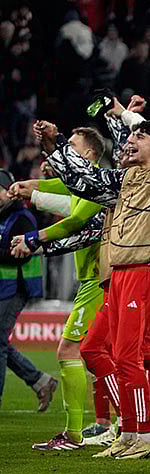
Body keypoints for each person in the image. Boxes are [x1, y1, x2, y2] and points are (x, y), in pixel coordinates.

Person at [39, 106, 150, 460]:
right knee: (118, 355)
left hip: (145, 271)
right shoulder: (123, 180)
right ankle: (131, 431)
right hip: (118, 273)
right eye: (131, 135)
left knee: (131, 355)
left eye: (140, 136)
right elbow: (82, 179)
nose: (131, 140)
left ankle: (145, 432)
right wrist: (55, 145)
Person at [8, 127, 106, 450]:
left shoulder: (96, 186)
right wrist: (30, 188)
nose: (66, 152)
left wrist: (34, 240)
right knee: (106, 355)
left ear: (88, 154)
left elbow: (75, 223)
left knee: (70, 351)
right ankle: (148, 420)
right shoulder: (84, 184)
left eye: (72, 146)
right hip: (96, 278)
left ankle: (75, 434)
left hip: (99, 280)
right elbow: (61, 189)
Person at [0, 169, 58, 412]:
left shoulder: (22, 218)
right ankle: (40, 381)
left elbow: (21, 255)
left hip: (17, 287)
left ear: (8, 191)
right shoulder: (5, 216)